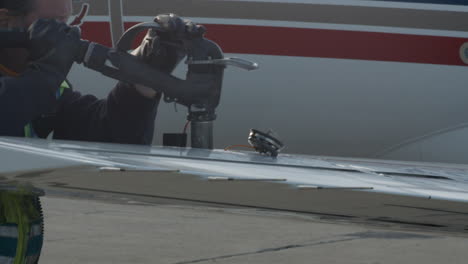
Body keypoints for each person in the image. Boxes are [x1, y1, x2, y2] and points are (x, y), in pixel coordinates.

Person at [0, 0, 199, 144]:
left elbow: (109, 137)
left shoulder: (42, 82)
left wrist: (143, 81)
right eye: (54, 22)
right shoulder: (41, 81)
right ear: (4, 21)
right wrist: (48, 73)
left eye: (66, 21)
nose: (69, 33)